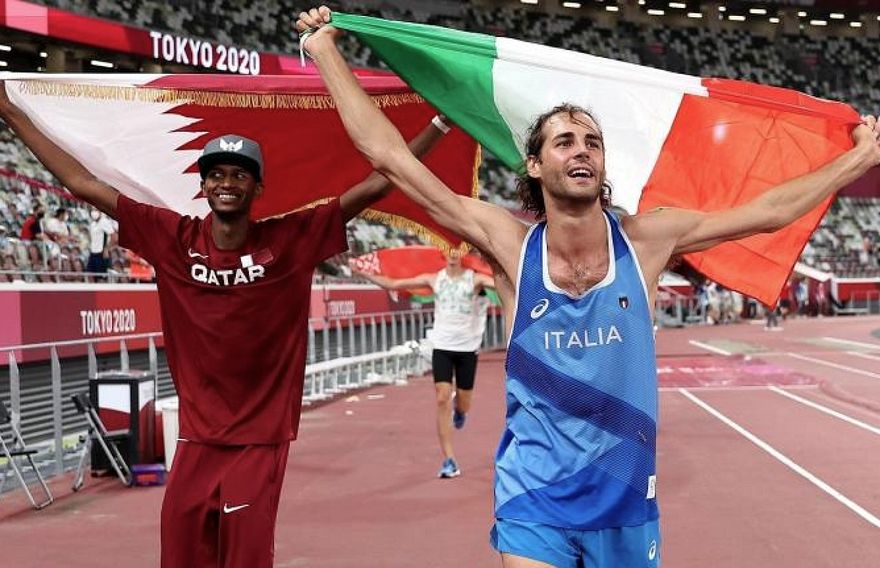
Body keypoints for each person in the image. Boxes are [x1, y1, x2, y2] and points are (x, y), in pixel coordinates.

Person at [297, 7, 880, 567]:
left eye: (592, 142)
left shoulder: (647, 240)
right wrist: (323, 52)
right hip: (533, 494)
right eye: (565, 141)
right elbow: (390, 158)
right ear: (534, 165)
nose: (582, 150)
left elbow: (768, 212)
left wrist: (852, 164)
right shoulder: (510, 245)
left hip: (624, 498)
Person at [0, 81, 451, 567]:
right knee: (180, 557)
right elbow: (83, 183)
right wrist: (8, 110)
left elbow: (378, 183)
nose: (226, 183)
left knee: (244, 560)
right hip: (197, 438)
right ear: (203, 186)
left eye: (239, 175)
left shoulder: (291, 239)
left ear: (258, 188)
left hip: (259, 439)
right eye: (216, 174)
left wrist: (441, 123)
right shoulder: (172, 237)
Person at [353, 248, 494, 478]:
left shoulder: (475, 279)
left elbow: (502, 284)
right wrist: (362, 272)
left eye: (457, 249)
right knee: (442, 398)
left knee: (464, 402)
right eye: (448, 249)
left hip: (467, 349)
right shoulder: (433, 279)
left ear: (463, 253)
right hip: (442, 347)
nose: (453, 254)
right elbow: (393, 283)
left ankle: (460, 410)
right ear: (443, 253)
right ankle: (449, 460)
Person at [86, 208, 116, 275]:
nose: (94, 212)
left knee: (101, 275)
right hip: (93, 252)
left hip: (101, 253)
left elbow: (114, 236)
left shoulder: (104, 222)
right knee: (89, 273)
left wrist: (107, 249)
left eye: (96, 210)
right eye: (92, 210)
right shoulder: (92, 224)